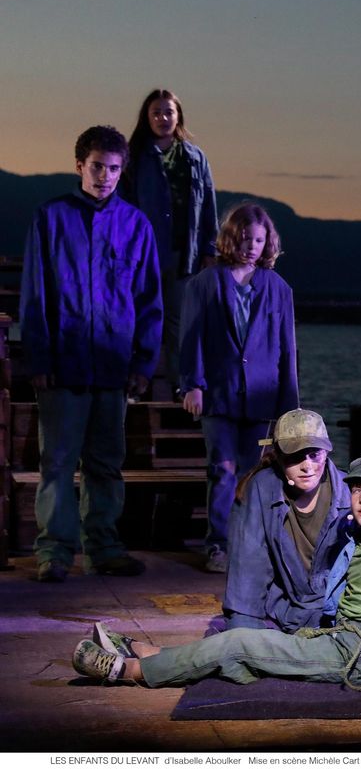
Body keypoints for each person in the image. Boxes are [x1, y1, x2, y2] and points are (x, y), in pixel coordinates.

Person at [71, 452, 361, 694]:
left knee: (239, 647)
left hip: (359, 657)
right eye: (356, 489)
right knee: (241, 646)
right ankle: (152, 653)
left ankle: (128, 671)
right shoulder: (358, 536)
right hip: (336, 637)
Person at [20, 125, 163, 583]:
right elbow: (35, 294)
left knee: (105, 463)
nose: (105, 176)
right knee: (58, 462)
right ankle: (55, 553)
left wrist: (143, 363)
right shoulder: (51, 218)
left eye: (115, 169)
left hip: (114, 367)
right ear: (80, 164)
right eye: (98, 166)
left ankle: (103, 548)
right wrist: (38, 359)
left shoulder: (135, 225)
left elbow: (149, 300)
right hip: (63, 364)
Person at [179, 202, 299, 573]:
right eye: (245, 238)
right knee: (222, 467)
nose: (252, 246)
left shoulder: (278, 288)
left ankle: (249, 545)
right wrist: (192, 385)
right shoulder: (205, 283)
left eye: (259, 240)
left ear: (268, 244)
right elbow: (190, 338)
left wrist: (289, 406)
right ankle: (218, 544)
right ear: (232, 238)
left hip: (261, 395)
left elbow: (287, 348)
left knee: (253, 472)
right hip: (218, 392)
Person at [121, 89, 218, 397]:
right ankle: (136, 385)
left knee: (181, 322)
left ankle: (181, 387)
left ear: (179, 116)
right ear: (146, 118)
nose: (163, 118)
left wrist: (210, 249)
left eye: (169, 112)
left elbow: (209, 206)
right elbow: (123, 202)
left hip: (183, 253)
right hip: (143, 253)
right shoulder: (133, 156)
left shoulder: (195, 156)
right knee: (141, 317)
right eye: (156, 113)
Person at [222, 409, 352, 631]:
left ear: (326, 452)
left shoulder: (350, 493)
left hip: (338, 612)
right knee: (237, 651)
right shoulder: (262, 489)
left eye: (314, 454)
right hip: (281, 613)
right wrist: (243, 631)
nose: (307, 466)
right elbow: (248, 567)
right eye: (295, 456)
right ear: (279, 457)